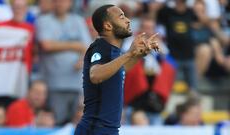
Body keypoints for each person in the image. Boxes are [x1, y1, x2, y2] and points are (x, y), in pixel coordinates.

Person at [74, 5, 159, 135]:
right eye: (121, 17)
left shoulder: (113, 52)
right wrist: (129, 54)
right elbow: (95, 75)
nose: (128, 20)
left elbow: (119, 71)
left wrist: (139, 55)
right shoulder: (100, 47)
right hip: (95, 129)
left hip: (107, 130)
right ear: (108, 26)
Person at [36, 0, 91, 125]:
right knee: (56, 123)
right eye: (56, 1)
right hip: (54, 83)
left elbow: (88, 47)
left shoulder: (78, 20)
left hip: (77, 84)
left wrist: (82, 57)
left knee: (78, 124)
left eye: (63, 1)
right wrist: (76, 45)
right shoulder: (43, 21)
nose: (60, 4)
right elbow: (47, 45)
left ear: (70, 3)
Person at [0, 0, 34, 107]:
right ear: (11, 9)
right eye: (16, 7)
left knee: (15, 108)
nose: (18, 10)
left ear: (26, 10)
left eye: (21, 7)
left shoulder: (31, 29)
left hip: (20, 77)